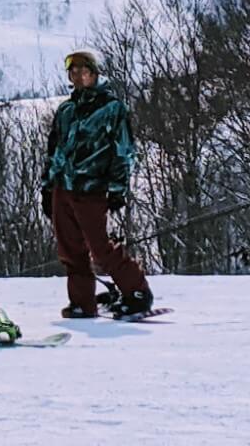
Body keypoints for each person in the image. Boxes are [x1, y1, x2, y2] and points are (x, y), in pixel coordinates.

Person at [42, 49, 154, 318]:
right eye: (73, 72)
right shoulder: (66, 110)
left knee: (100, 248)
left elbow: (123, 150)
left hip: (92, 188)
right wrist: (47, 186)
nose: (77, 77)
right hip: (63, 187)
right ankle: (82, 302)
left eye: (83, 71)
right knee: (70, 251)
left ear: (94, 74)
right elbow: (54, 150)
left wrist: (117, 188)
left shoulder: (111, 108)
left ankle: (137, 291)